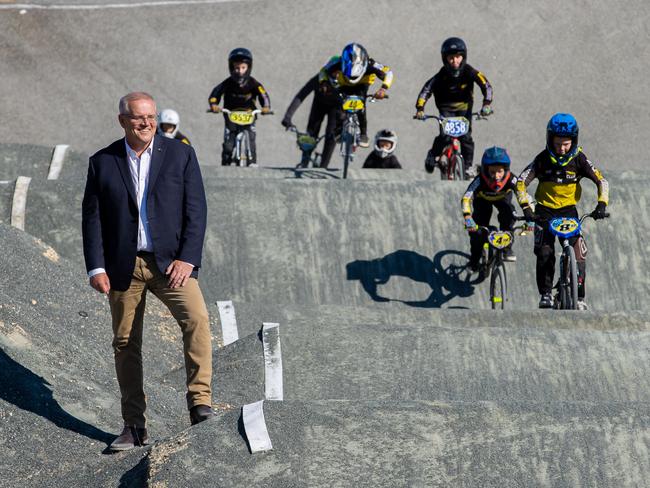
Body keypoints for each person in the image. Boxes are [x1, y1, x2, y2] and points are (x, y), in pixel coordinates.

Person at [82, 92, 214, 452]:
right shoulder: (102, 162)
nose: (147, 124)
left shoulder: (180, 154)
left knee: (197, 319)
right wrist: (96, 266)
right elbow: (92, 220)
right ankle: (134, 426)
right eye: (139, 118)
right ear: (122, 120)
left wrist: (188, 258)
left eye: (152, 117)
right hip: (123, 266)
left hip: (171, 263)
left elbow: (196, 210)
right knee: (125, 343)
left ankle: (200, 404)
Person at [516, 113, 609, 309]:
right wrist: (526, 207)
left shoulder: (580, 159)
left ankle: (580, 298)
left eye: (566, 144)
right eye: (558, 143)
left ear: (574, 141)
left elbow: (601, 180)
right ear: (549, 139)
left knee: (579, 253)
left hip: (569, 212)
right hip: (544, 212)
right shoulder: (542, 159)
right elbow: (520, 182)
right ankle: (546, 294)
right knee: (544, 253)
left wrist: (602, 204)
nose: (562, 148)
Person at [415, 37, 493, 177]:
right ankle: (433, 155)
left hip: (465, 110)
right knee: (445, 136)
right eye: (451, 57)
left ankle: (468, 167)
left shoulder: (470, 71)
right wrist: (420, 109)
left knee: (466, 138)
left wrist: (486, 104)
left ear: (464, 57)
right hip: (446, 110)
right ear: (445, 59)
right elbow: (426, 90)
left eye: (458, 57)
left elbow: (485, 85)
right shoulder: (441, 75)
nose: (455, 61)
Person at [462, 146, 529, 271]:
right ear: (485, 170)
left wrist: (528, 212)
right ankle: (474, 259)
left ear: (506, 170)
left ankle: (507, 249)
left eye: (500, 171)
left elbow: (522, 194)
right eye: (492, 172)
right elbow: (466, 197)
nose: (497, 176)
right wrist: (467, 217)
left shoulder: (511, 178)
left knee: (509, 219)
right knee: (476, 233)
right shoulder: (480, 179)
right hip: (482, 201)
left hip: (503, 200)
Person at [318, 42, 393, 147]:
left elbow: (389, 73)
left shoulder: (371, 64)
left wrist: (383, 89)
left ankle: (363, 134)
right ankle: (338, 128)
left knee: (361, 105)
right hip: (343, 84)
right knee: (339, 104)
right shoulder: (338, 62)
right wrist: (324, 83)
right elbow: (323, 71)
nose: (353, 78)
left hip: (362, 84)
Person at [208, 47, 271, 166]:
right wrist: (213, 104)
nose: (240, 71)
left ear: (249, 67)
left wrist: (266, 107)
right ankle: (225, 163)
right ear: (231, 68)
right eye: (237, 68)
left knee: (251, 138)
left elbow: (264, 95)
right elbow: (215, 93)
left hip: (249, 115)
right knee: (229, 142)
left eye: (243, 68)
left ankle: (252, 162)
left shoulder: (254, 83)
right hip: (231, 115)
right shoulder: (227, 83)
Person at [281, 70, 341, 168]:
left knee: (331, 135)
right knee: (311, 134)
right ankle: (304, 162)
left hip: (336, 108)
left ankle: (323, 166)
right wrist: (288, 117)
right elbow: (301, 95)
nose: (337, 75)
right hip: (319, 105)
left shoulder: (345, 80)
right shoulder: (319, 78)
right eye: (335, 73)